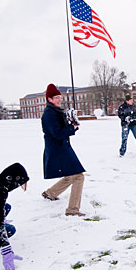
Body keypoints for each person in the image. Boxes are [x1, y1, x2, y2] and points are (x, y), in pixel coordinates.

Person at [41, 83, 86, 217]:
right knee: (78, 176)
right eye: (56, 98)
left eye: (60, 97)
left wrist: (71, 121)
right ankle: (72, 210)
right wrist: (73, 128)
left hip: (62, 147)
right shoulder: (49, 114)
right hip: (58, 150)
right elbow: (57, 133)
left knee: (70, 175)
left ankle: (50, 193)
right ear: (49, 99)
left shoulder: (55, 111)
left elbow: (60, 129)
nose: (59, 100)